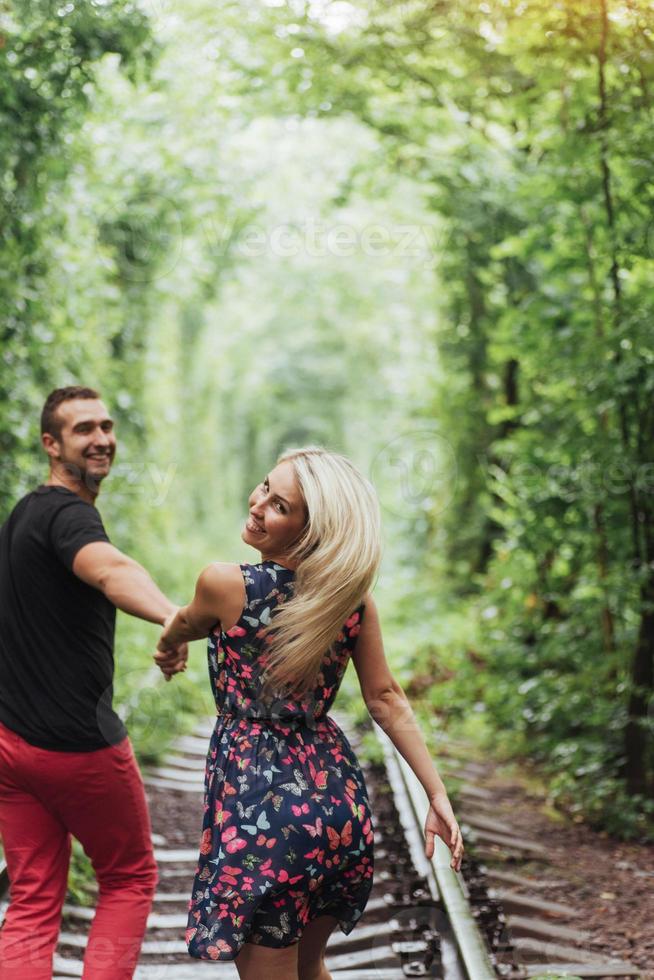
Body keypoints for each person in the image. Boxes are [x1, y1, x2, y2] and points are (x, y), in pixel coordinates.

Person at [155, 446, 463, 980]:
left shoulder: (226, 584)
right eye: (264, 487)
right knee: (310, 966)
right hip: (337, 805)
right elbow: (386, 698)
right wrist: (436, 793)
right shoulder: (352, 602)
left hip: (263, 806)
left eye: (279, 506)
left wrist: (170, 641)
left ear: (311, 530)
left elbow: (186, 620)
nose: (258, 505)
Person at [0, 385, 188, 980]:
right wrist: (172, 619)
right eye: (83, 429)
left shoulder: (25, 513)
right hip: (78, 746)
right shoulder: (70, 515)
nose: (102, 438)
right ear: (51, 443)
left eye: (106, 425)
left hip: (10, 747)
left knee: (32, 898)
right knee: (130, 877)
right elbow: (111, 569)